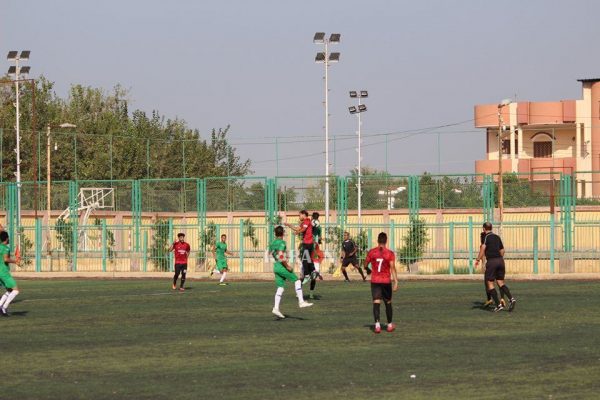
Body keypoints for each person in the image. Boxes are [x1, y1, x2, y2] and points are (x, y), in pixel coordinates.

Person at [269, 225, 313, 318]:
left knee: (280, 288)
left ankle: (276, 308)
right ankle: (301, 302)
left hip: (276, 266)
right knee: (297, 280)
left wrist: (281, 258)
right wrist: (287, 265)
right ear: (283, 233)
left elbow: (272, 253)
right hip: (281, 267)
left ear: (275, 233)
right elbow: (280, 254)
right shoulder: (282, 242)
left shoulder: (272, 243)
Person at [475, 222, 516, 312]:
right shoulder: (497, 237)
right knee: (500, 282)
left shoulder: (486, 237)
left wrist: (478, 259)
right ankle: (511, 299)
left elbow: (483, 248)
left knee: (489, 283)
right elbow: (502, 250)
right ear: (491, 228)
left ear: (484, 229)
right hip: (500, 261)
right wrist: (499, 258)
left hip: (492, 261)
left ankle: (498, 305)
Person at [364, 232, 398, 333]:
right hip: (386, 281)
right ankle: (390, 325)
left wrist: (368, 269)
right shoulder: (390, 253)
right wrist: (396, 281)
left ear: (378, 240)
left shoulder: (372, 252)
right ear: (386, 241)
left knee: (376, 302)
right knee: (388, 302)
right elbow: (392, 268)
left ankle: (377, 325)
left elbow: (365, 264)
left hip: (375, 281)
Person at [284, 210, 315, 285]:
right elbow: (298, 229)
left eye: (299, 215)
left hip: (308, 243)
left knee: (305, 260)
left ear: (303, 214)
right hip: (307, 244)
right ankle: (313, 272)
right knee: (307, 259)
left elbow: (302, 230)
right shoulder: (303, 222)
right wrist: (289, 225)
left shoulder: (307, 220)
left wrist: (297, 232)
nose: (299, 216)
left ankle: (307, 275)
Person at [0, 230, 20, 316]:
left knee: (9, 290)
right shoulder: (6, 248)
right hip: (3, 272)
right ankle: (4, 307)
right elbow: (5, 259)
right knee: (16, 290)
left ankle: (0, 305)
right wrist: (15, 261)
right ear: (7, 238)